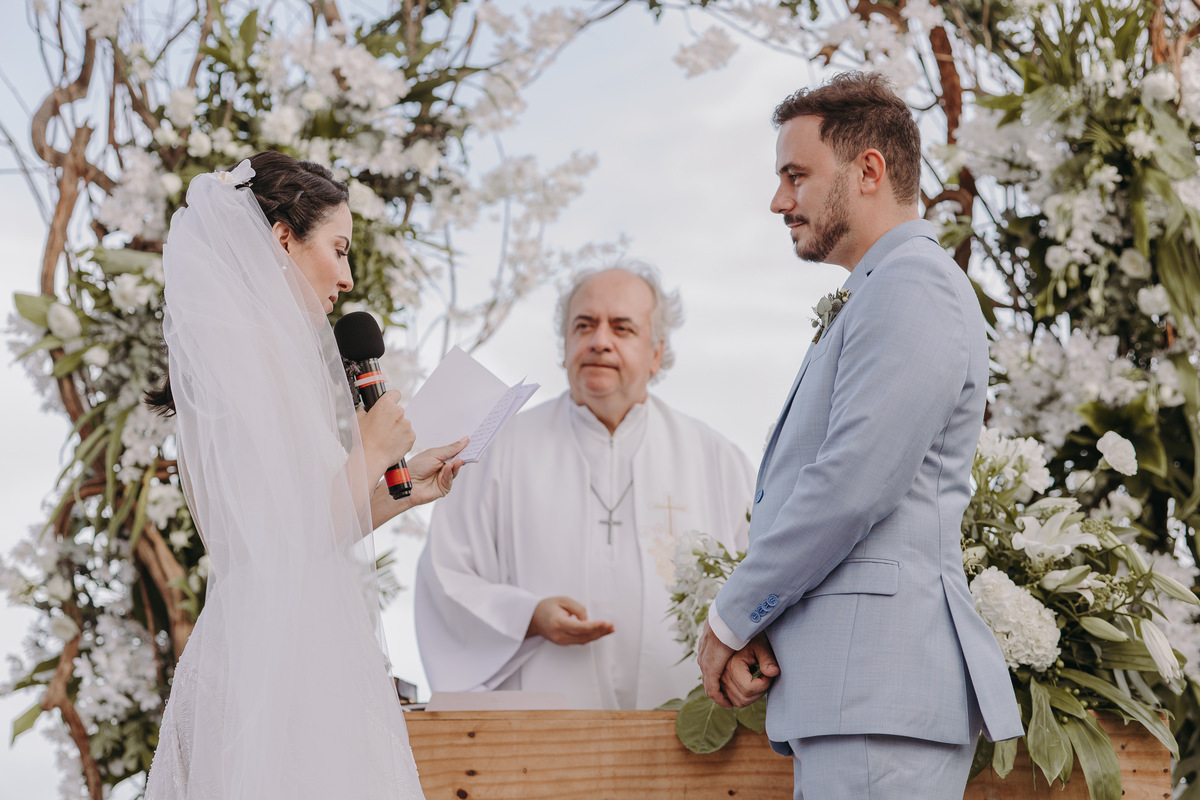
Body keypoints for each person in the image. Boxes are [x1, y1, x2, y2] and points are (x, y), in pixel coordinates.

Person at [696, 73, 1024, 799]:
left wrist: (731, 613)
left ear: (868, 169)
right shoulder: (883, 288)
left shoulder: (913, 286)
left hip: (880, 699)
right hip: (859, 699)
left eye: (796, 175)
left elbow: (851, 483)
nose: (780, 201)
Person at [142, 152, 466, 800]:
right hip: (269, 649)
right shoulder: (240, 373)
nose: (346, 277)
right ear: (283, 238)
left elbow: (310, 526)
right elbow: (274, 540)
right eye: (339, 249)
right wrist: (370, 449)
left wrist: (405, 491)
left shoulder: (277, 362)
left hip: (306, 627)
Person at [414, 263, 755, 710]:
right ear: (565, 346)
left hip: (683, 733)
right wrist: (528, 616)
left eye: (622, 328)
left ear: (656, 353)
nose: (599, 341)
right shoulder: (497, 451)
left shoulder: (715, 460)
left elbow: (756, 583)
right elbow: (446, 577)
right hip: (542, 737)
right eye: (584, 325)